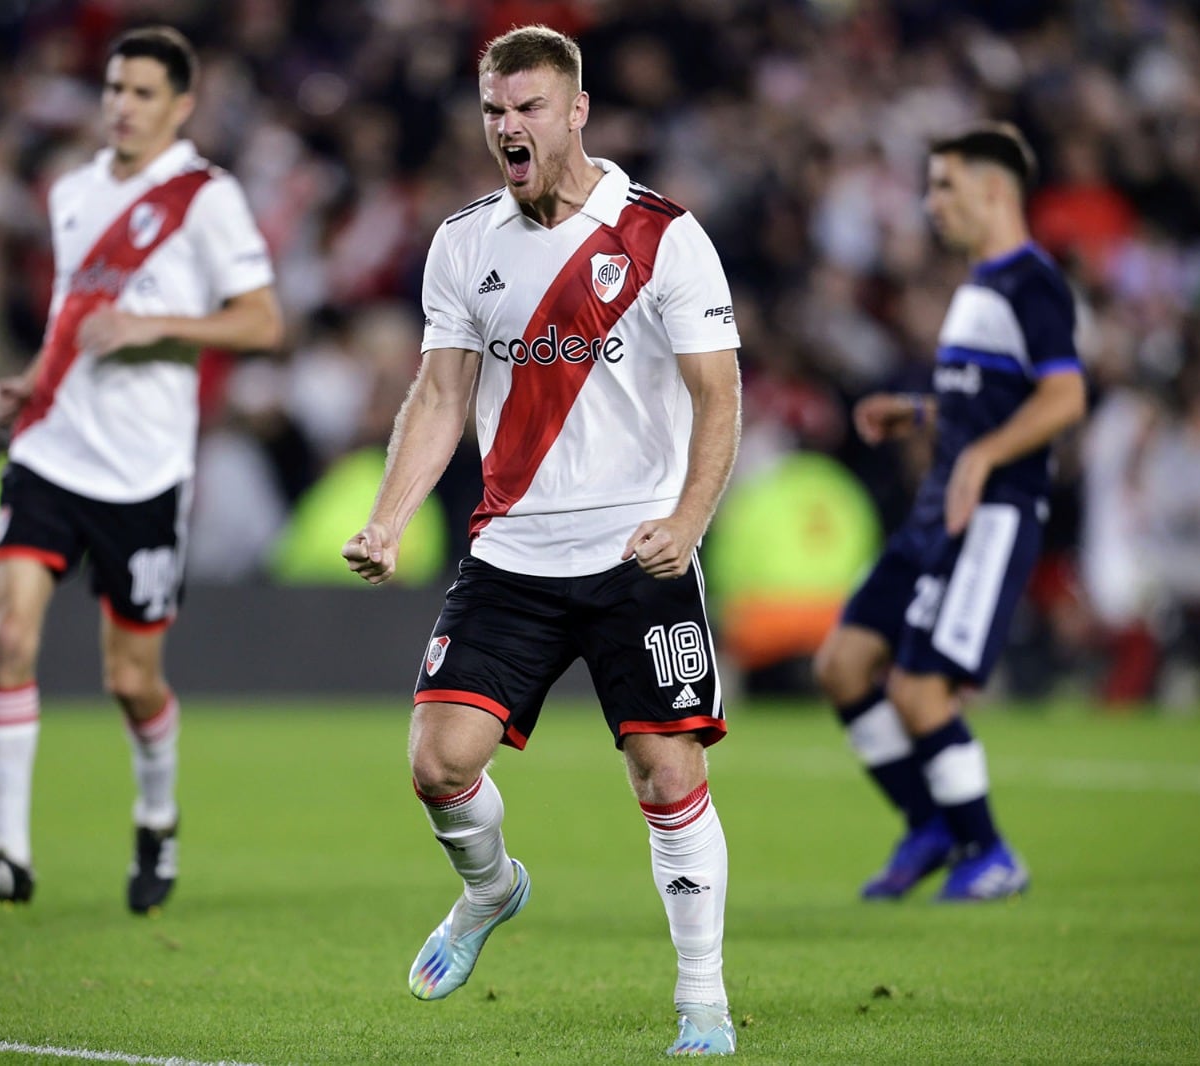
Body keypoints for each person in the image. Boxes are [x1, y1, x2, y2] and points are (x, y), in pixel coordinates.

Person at [342, 26, 743, 1057]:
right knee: (437, 764)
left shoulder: (662, 236)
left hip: (636, 554)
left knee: (665, 774)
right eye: (492, 111)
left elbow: (717, 396)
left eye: (526, 107)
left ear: (575, 111)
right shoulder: (463, 241)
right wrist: (389, 516)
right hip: (511, 553)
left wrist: (687, 523)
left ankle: (702, 996)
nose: (507, 127)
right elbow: (438, 395)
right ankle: (490, 891)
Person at [0, 26, 283, 913]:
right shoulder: (72, 191)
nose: (121, 106)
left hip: (143, 472)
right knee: (9, 636)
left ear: (180, 105)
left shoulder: (206, 199)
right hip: (51, 448)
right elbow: (72, 312)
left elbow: (261, 323)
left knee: (130, 680)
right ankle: (8, 855)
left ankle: (158, 816)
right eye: (113, 89)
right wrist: (33, 382)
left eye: (140, 92)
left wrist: (155, 330)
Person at [813, 123, 1086, 901]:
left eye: (946, 186)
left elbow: (1065, 396)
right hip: (937, 512)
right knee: (842, 664)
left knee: (919, 690)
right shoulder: (976, 286)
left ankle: (993, 852)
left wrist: (980, 455)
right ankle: (930, 825)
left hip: (991, 513)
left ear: (995, 190)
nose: (931, 203)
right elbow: (985, 399)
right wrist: (923, 413)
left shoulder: (1033, 283)